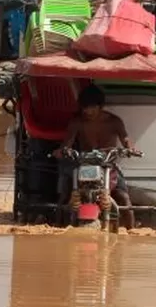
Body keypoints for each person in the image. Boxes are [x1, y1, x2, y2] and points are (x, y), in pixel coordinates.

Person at [55, 85, 137, 229]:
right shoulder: (77, 122)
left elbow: (125, 138)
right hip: (84, 165)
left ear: (101, 106)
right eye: (85, 108)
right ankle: (57, 227)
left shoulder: (114, 121)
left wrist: (130, 149)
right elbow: (67, 143)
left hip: (107, 166)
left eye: (92, 107)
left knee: (124, 198)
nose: (88, 111)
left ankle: (131, 232)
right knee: (64, 195)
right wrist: (62, 151)